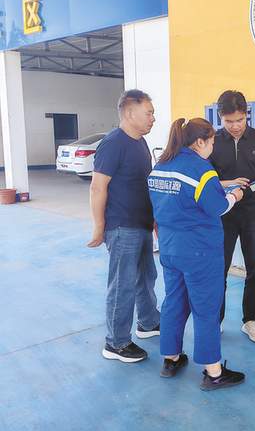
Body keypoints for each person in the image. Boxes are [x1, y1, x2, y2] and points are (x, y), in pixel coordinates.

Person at [148, 117, 246, 390]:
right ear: (200, 142)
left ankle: (171, 359)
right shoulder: (202, 171)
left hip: (169, 247)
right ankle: (213, 373)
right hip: (199, 251)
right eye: (212, 142)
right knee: (205, 308)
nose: (213, 147)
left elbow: (174, 200)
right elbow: (217, 207)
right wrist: (234, 196)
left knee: (174, 302)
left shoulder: (161, 166)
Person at [88, 89, 161, 363]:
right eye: (149, 113)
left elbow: (143, 184)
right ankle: (116, 343)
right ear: (130, 113)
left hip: (141, 223)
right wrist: (99, 227)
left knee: (146, 277)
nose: (153, 118)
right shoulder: (113, 143)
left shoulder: (140, 142)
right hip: (122, 226)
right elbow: (98, 187)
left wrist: (154, 219)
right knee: (123, 284)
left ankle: (148, 322)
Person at [209, 90, 255, 343]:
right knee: (219, 268)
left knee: (254, 268)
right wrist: (229, 184)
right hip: (223, 211)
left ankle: (250, 320)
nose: (235, 126)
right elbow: (205, 180)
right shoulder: (212, 141)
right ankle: (215, 320)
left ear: (247, 115)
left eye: (239, 120)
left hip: (254, 211)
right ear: (220, 117)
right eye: (229, 121)